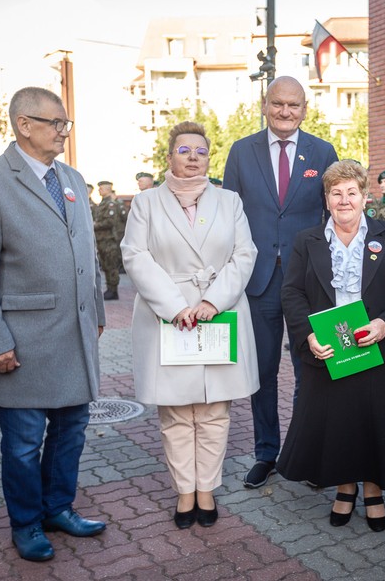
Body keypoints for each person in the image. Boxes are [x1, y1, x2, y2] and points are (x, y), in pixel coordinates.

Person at [0, 86, 106, 562]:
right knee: (22, 444)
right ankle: (26, 524)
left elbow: (88, 251)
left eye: (66, 124)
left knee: (71, 432)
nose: (63, 131)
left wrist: (98, 313)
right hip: (21, 342)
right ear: (24, 124)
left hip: (74, 335)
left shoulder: (72, 178)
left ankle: (58, 508)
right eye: (55, 123)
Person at [121, 121, 259, 530]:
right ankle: (185, 490)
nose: (193, 157)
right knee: (177, 412)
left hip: (220, 311)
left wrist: (213, 300)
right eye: (184, 150)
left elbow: (244, 254)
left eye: (200, 150)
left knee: (216, 409)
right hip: (168, 316)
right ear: (169, 157)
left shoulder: (230, 201)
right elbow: (135, 256)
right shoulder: (146, 203)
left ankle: (207, 489)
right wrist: (175, 305)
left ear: (208, 156)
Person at [277, 160, 385, 531]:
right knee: (339, 423)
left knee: (375, 420)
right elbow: (291, 292)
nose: (344, 200)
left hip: (376, 345)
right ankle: (345, 488)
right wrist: (307, 334)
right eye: (335, 193)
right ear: (326, 200)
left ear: (364, 196)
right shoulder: (306, 241)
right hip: (328, 347)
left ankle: (373, 489)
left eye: (351, 192)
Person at [223, 75, 338, 489]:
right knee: (262, 371)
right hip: (258, 282)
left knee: (312, 368)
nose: (286, 112)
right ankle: (266, 452)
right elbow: (229, 216)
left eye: (294, 105)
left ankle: (307, 453)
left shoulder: (322, 152)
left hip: (309, 282)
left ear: (305, 109)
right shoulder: (240, 152)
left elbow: (333, 216)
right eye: (278, 104)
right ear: (266, 105)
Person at [93, 180, 125, 300]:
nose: (99, 190)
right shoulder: (102, 203)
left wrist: (94, 225)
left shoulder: (111, 204)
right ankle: (109, 288)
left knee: (111, 266)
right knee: (105, 265)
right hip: (102, 239)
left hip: (109, 240)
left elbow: (110, 222)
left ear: (107, 189)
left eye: (101, 188)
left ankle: (113, 290)